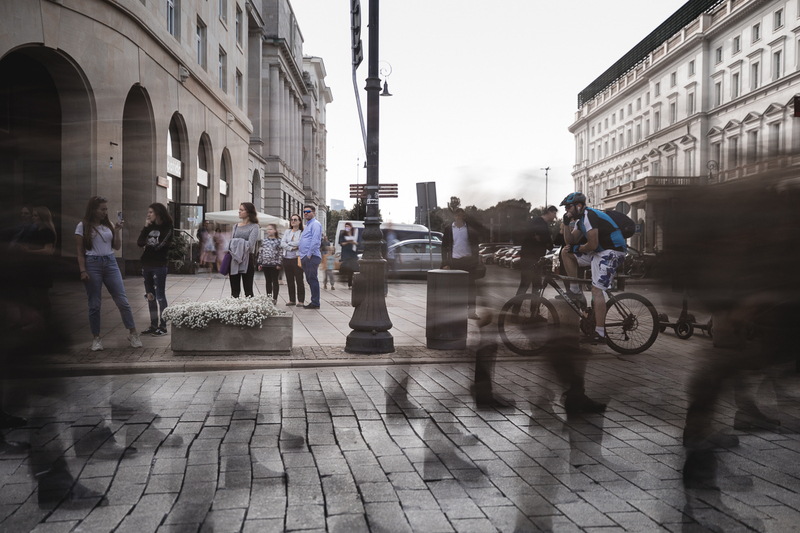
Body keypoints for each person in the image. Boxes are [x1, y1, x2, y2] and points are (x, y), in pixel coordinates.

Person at [75, 196, 142, 351]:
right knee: (94, 304)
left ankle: (133, 333)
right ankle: (96, 338)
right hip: (92, 264)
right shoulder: (82, 226)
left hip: (111, 262)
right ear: (93, 209)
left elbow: (117, 247)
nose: (105, 212)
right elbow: (79, 252)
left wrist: (117, 231)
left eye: (106, 209)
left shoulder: (109, 224)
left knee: (122, 300)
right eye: (102, 209)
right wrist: (82, 270)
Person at [560, 192, 627, 343]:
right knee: (566, 252)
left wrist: (577, 248)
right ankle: (575, 291)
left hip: (612, 252)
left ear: (578, 206)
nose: (566, 210)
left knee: (597, 290)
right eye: (565, 208)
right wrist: (566, 224)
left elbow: (592, 244)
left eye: (568, 207)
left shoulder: (590, 215)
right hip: (599, 251)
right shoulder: (580, 220)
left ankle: (600, 333)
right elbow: (570, 242)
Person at [513, 206, 558, 313]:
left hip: (535, 259)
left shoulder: (539, 223)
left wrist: (543, 240)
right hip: (530, 259)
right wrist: (546, 240)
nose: (555, 217)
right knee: (527, 285)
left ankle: (531, 313)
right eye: (554, 213)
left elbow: (549, 244)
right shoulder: (539, 222)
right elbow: (548, 241)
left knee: (534, 286)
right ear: (549, 212)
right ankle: (518, 312)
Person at [137, 203, 173, 336]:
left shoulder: (167, 227)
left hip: (159, 265)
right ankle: (153, 325)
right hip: (146, 265)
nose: (148, 214)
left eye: (151, 212)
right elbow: (140, 243)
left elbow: (161, 245)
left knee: (160, 296)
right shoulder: (149, 227)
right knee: (150, 296)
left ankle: (163, 326)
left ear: (158, 213)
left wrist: (148, 247)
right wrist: (146, 227)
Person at [441, 208, 482, 320]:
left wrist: (475, 260)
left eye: (461, 215)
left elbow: (475, 245)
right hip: (455, 262)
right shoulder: (449, 229)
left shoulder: (469, 228)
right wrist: (445, 263)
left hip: (468, 262)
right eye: (457, 215)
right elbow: (444, 247)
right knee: (455, 288)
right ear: (454, 217)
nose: (459, 217)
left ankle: (471, 312)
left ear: (464, 217)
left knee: (471, 288)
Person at [23, 206, 58, 320]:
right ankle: (38, 320)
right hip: (34, 266)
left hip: (42, 267)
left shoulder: (47, 231)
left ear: (42, 217)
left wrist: (28, 251)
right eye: (33, 215)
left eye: (35, 215)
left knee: (42, 295)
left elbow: (48, 251)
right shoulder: (36, 231)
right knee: (34, 295)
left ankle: (45, 320)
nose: (33, 217)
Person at [229, 203, 259, 298]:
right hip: (234, 258)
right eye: (239, 209)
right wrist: (239, 243)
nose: (239, 211)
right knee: (234, 291)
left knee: (248, 290)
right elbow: (231, 243)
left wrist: (235, 243)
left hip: (247, 258)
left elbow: (250, 245)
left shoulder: (254, 226)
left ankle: (249, 307)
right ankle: (234, 306)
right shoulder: (236, 226)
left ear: (249, 212)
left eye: (242, 210)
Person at [299, 205, 323, 309]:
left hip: (311, 257)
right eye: (304, 211)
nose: (305, 213)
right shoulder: (308, 225)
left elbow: (315, 240)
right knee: (310, 280)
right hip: (306, 257)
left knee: (312, 279)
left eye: (308, 211)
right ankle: (314, 301)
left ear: (314, 213)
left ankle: (315, 302)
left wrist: (308, 255)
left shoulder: (315, 224)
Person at [281, 214, 304, 306]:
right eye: (291, 219)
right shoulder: (287, 231)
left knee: (299, 280)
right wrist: (291, 247)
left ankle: (301, 300)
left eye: (295, 219)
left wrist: (288, 243)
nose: (293, 221)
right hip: (287, 258)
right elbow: (282, 243)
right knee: (289, 280)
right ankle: (292, 300)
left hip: (297, 258)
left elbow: (300, 243)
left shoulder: (302, 232)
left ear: (299, 221)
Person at [257, 223, 282, 301]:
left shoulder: (279, 241)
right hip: (265, 264)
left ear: (275, 230)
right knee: (268, 281)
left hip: (274, 264)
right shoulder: (264, 240)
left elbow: (281, 253)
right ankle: (269, 297)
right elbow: (261, 252)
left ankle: (275, 298)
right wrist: (260, 262)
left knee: (275, 281)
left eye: (270, 229)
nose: (268, 231)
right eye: (267, 229)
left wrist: (279, 263)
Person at [338, 222, 359, 289]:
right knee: (347, 268)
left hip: (353, 254)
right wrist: (348, 242)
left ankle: (351, 283)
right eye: (346, 227)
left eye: (348, 226)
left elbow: (358, 243)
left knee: (353, 269)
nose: (347, 228)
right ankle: (349, 283)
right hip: (346, 254)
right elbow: (341, 243)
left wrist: (353, 242)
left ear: (351, 227)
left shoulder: (355, 234)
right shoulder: (343, 235)